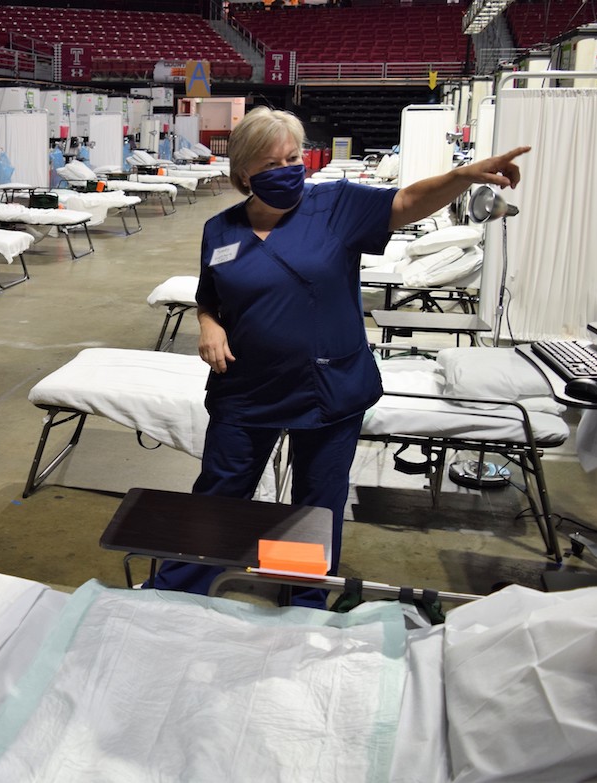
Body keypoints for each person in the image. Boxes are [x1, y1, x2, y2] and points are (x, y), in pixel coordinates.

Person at [151, 107, 528, 602]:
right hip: (246, 389)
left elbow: (408, 200)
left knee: (317, 503)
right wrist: (208, 326)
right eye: (271, 163)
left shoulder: (336, 205)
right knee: (220, 491)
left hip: (328, 390)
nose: (288, 169)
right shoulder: (221, 231)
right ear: (243, 172)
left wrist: (461, 176)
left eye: (293, 157)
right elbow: (210, 298)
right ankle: (181, 590)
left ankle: (300, 597)